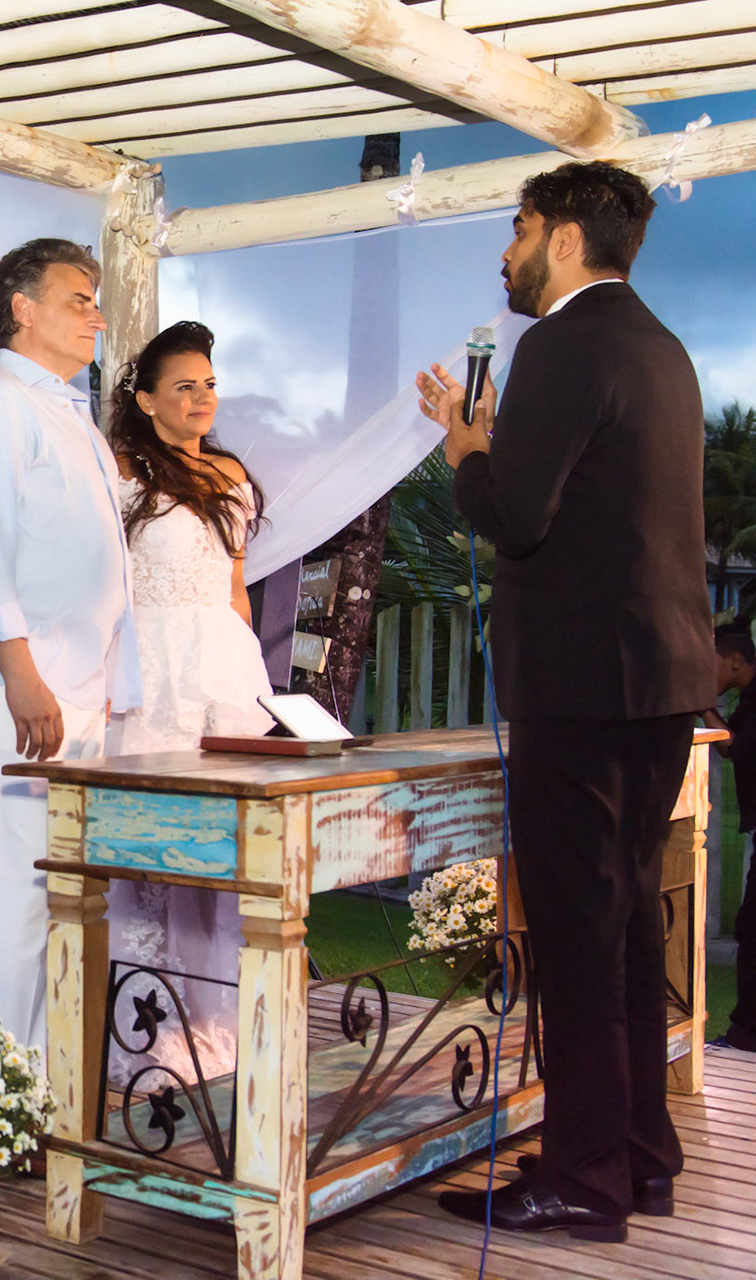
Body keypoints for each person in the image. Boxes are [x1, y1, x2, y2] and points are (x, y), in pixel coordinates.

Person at [417, 162, 714, 1241]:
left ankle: (583, 1179)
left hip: (584, 689)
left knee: (582, 937)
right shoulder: (662, 347)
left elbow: (519, 515)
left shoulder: (560, 342)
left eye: (519, 227)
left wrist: (465, 449)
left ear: (564, 237)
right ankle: (640, 1156)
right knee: (628, 924)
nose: (508, 250)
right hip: (660, 684)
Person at [0, 237, 140, 1053]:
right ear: (24, 308)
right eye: (79, 299)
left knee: (65, 904)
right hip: (21, 697)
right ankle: (5, 1101)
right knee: (17, 902)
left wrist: (112, 682)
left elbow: (100, 566)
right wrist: (24, 677)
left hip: (76, 696)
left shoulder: (69, 414)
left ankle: (50, 1088)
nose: (97, 316)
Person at [99, 319, 275, 1081]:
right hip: (151, 672)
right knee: (150, 854)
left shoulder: (231, 472)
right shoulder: (121, 470)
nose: (202, 396)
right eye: (184, 386)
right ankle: (142, 1018)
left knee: (219, 857)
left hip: (220, 674)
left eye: (208, 383)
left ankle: (216, 1014)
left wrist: (254, 685)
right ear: (147, 400)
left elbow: (235, 587)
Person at [708, 628, 756, 1055]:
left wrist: (700, 705)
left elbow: (735, 747)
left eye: (714, 663)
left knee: (752, 926)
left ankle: (746, 1036)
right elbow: (727, 747)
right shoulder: (749, 698)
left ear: (736, 660)